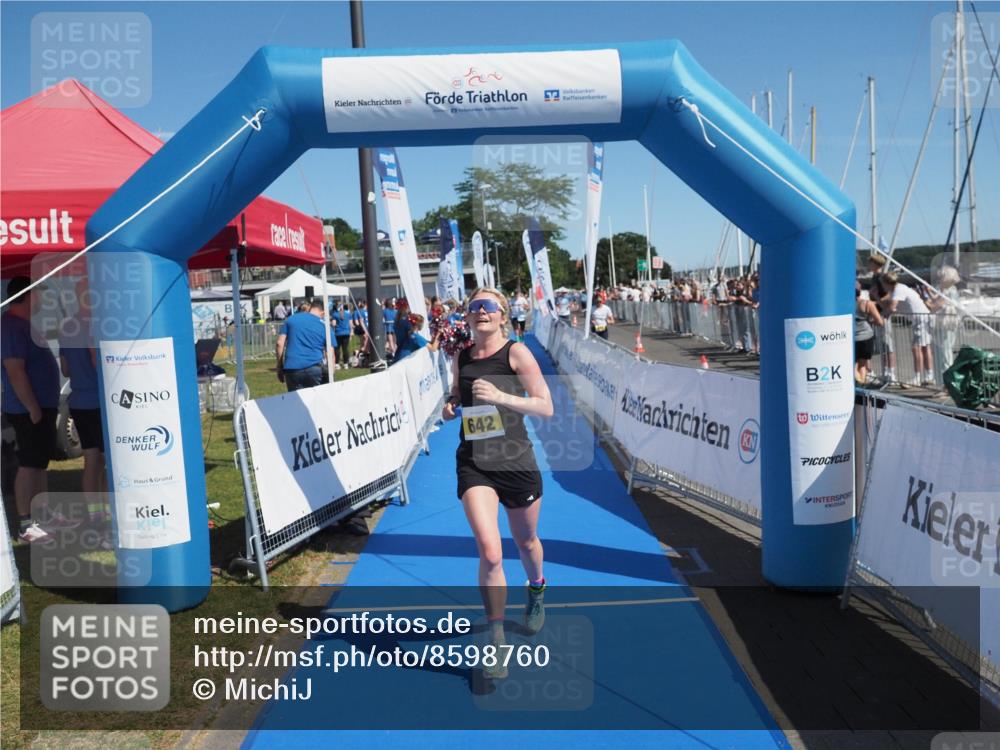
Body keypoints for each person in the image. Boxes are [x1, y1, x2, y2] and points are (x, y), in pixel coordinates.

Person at [441, 287, 553, 680]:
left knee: (526, 542)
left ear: (503, 315)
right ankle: (497, 639)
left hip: (516, 462)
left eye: (489, 306)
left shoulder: (516, 353)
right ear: (468, 316)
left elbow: (546, 405)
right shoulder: (462, 356)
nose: (481, 311)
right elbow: (456, 395)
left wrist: (503, 396)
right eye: (474, 306)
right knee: (490, 553)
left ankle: (536, 588)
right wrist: (451, 405)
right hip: (475, 463)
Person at [1, 276, 61, 544]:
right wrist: (32, 407)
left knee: (38, 463)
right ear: (27, 295)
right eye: (38, 293)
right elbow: (15, 371)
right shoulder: (11, 327)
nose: (42, 299)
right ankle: (26, 525)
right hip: (27, 410)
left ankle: (43, 516)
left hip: (39, 407)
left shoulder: (23, 325)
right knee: (28, 464)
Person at [58, 279, 109, 526]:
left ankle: (96, 513)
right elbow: (96, 362)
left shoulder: (67, 326)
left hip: (78, 401)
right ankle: (108, 511)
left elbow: (65, 370)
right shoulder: (96, 324)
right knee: (108, 460)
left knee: (91, 460)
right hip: (99, 401)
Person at [882, 273, 934, 387]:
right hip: (924, 317)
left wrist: (882, 316)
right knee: (925, 347)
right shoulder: (900, 288)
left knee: (916, 348)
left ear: (886, 283)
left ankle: (917, 378)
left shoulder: (898, 290)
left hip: (920, 319)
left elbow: (892, 307)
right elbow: (888, 301)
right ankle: (929, 376)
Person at [275, 299, 336, 391]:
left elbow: (279, 343)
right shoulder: (325, 326)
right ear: (323, 313)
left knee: (295, 399)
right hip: (314, 367)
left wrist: (280, 366)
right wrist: (331, 373)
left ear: (310, 308)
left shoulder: (291, 319)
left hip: (292, 368)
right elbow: (330, 353)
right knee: (317, 398)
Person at [926, 266, 961, 375]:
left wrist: (925, 301)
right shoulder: (947, 289)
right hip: (943, 324)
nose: (939, 279)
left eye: (941, 277)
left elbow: (935, 306)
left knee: (944, 352)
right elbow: (936, 301)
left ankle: (947, 379)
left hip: (945, 324)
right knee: (942, 352)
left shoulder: (949, 291)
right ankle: (943, 378)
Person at [854, 281, 884, 385]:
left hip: (853, 338)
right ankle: (861, 384)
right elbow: (880, 322)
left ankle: (858, 383)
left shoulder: (844, 304)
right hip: (867, 337)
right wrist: (870, 321)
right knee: (862, 364)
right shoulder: (867, 304)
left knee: (853, 364)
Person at [331, 302, 353, 369]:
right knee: (345, 349)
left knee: (337, 349)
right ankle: (346, 364)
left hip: (338, 333)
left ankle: (337, 363)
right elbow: (351, 324)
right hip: (346, 333)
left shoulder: (335, 314)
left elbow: (334, 324)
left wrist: (331, 323)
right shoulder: (348, 314)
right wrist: (351, 332)